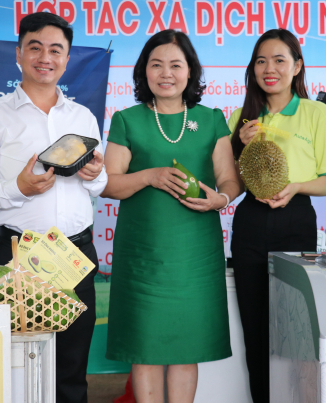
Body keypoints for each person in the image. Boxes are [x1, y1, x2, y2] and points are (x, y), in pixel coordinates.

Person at [102, 29, 242, 403]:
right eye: (156, 64)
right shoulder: (127, 120)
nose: (166, 73)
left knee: (186, 345)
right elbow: (109, 185)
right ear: (143, 71)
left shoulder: (211, 119)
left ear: (190, 71)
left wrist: (220, 199)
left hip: (195, 254)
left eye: (176, 65)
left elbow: (229, 179)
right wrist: (150, 176)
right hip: (143, 254)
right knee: (144, 346)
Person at [0, 12, 106, 403]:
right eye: (35, 48)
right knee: (14, 364)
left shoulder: (82, 116)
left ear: (66, 59)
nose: (45, 57)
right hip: (18, 254)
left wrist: (94, 174)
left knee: (72, 367)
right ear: (19, 54)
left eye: (55, 50)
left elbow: (99, 185)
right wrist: (19, 187)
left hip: (76, 254)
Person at [227, 28, 326, 403]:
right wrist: (240, 147)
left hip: (296, 221)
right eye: (261, 61)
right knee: (255, 327)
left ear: (297, 67)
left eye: (279, 60)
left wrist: (295, 187)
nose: (269, 69)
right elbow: (232, 182)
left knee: (297, 328)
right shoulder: (241, 118)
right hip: (250, 221)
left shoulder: (315, 113)